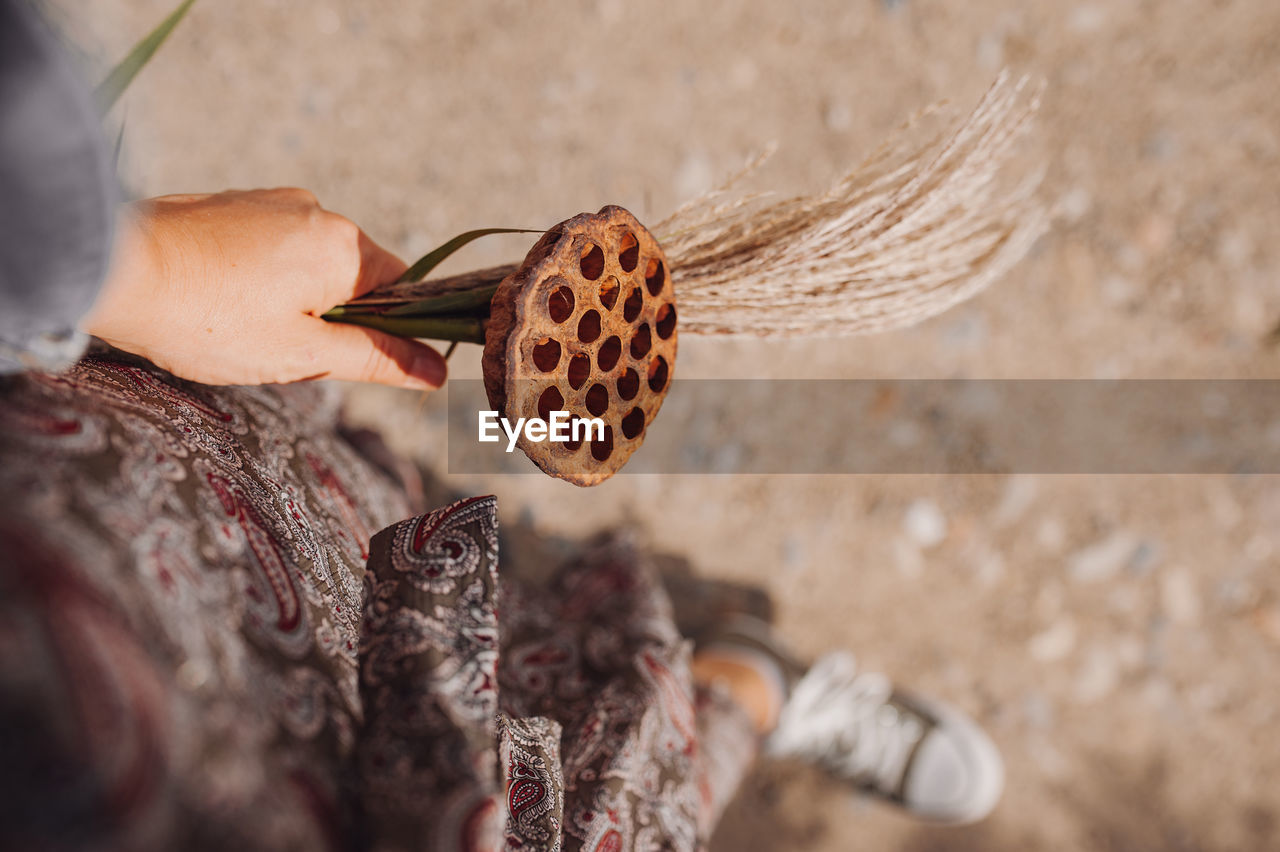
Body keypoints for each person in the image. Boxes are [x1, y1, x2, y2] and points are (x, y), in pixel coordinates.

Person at [0, 1, 1002, 848]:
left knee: (343, 527)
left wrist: (135, 274)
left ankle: (709, 670)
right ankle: (750, 684)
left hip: (105, 517)